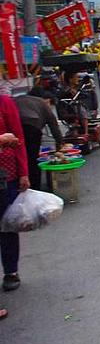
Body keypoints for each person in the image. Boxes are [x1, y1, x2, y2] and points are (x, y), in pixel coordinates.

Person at [0, 92, 30, 293]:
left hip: (5, 174)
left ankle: (11, 271)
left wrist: (23, 172)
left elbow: (18, 137)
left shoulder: (4, 102)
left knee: (7, 225)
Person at [16, 89, 63, 191]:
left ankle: (19, 186)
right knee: (33, 159)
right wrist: (60, 143)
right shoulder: (43, 103)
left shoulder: (18, 99)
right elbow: (54, 126)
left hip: (15, 128)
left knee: (18, 158)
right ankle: (34, 188)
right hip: (32, 127)